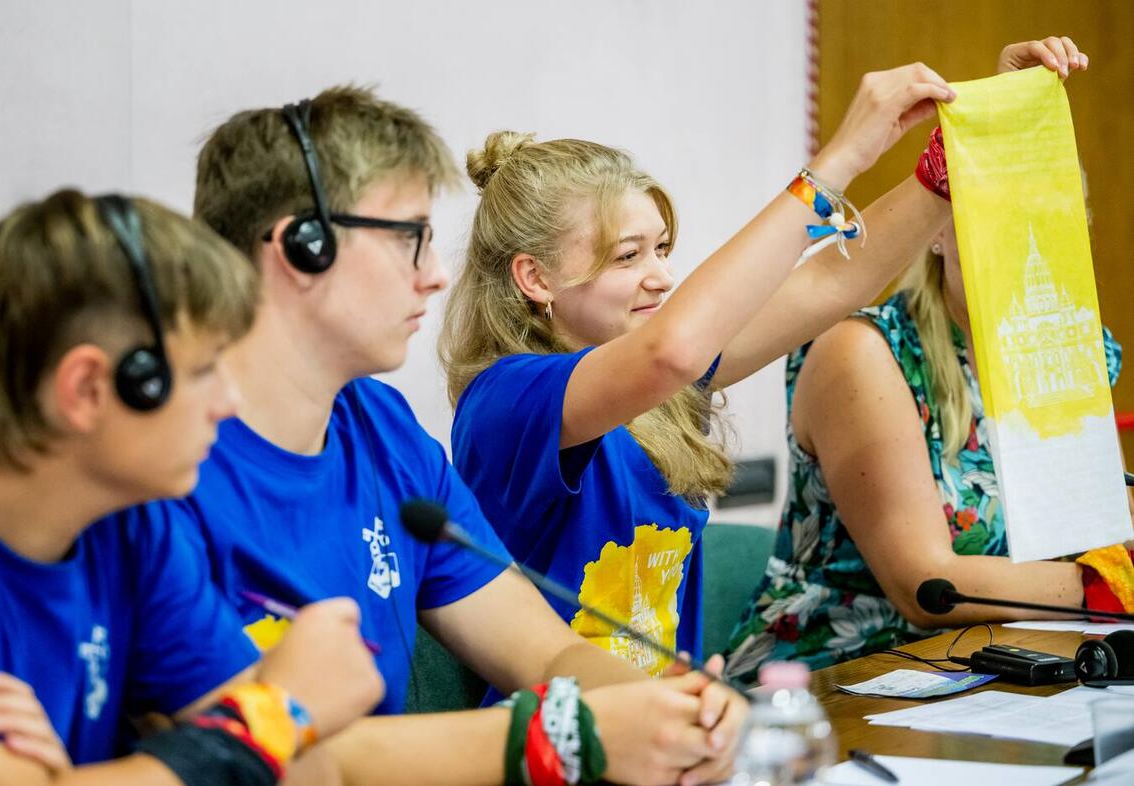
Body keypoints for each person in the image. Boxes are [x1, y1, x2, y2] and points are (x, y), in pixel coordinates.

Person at [439, 38, 1084, 679]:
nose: (661, 277)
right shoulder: (507, 399)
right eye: (626, 256)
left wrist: (981, 129)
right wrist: (837, 163)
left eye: (662, 249)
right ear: (535, 279)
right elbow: (673, 352)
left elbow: (830, 285)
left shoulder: (659, 392)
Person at [177, 86, 745, 786]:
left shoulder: (385, 433)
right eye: (407, 239)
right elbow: (258, 761)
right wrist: (566, 738)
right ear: (302, 246)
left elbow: (548, 656)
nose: (436, 274)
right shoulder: (163, 464)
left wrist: (674, 707)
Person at [0, 189, 383, 784]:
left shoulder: (132, 525)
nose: (229, 403)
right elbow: (276, 734)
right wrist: (272, 716)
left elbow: (310, 772)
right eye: (206, 370)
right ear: (87, 389)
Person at [723, 202, 1132, 680]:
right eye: (1000, 217)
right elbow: (926, 586)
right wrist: (1107, 586)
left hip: (1014, 657)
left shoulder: (1065, 352)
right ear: (938, 229)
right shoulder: (866, 350)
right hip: (840, 676)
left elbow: (1112, 528)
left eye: (1052, 222)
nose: (1028, 245)